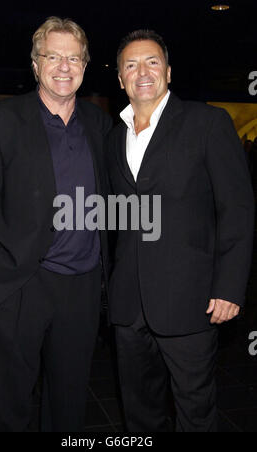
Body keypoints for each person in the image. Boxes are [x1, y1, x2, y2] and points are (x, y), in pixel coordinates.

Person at [0, 16, 112, 432]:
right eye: (53, 56)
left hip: (81, 289)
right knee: (8, 408)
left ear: (84, 65)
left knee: (68, 407)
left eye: (73, 58)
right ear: (35, 64)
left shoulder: (101, 126)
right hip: (19, 285)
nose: (64, 66)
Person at [107, 30, 255, 432]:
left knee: (195, 412)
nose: (142, 72)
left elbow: (237, 210)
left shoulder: (207, 122)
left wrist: (229, 287)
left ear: (168, 72)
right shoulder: (112, 135)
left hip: (191, 301)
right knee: (139, 414)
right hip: (127, 306)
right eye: (131, 64)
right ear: (120, 78)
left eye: (152, 62)